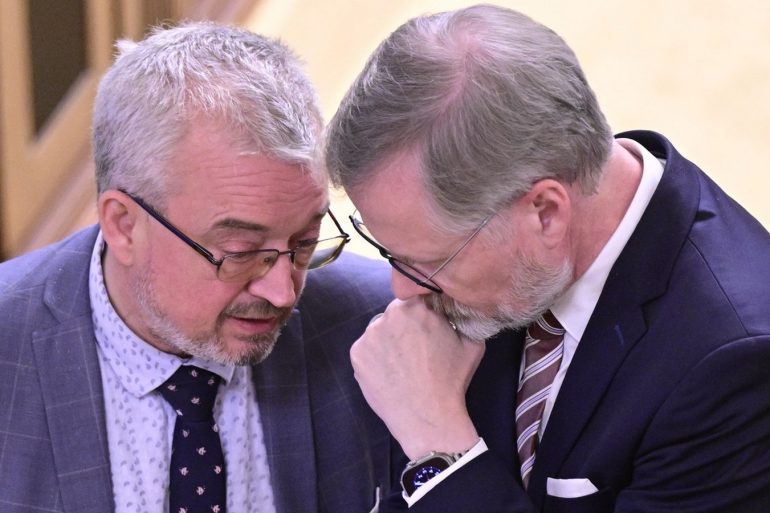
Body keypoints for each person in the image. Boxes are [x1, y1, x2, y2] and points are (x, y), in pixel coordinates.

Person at [324, 4, 770, 512]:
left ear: (545, 212)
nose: (402, 289)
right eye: (389, 253)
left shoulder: (736, 365)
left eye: (429, 261)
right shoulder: (503, 261)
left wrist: (439, 448)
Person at [0, 22, 395, 513]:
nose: (283, 292)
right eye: (240, 251)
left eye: (305, 241)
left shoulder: (382, 324)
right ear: (123, 225)